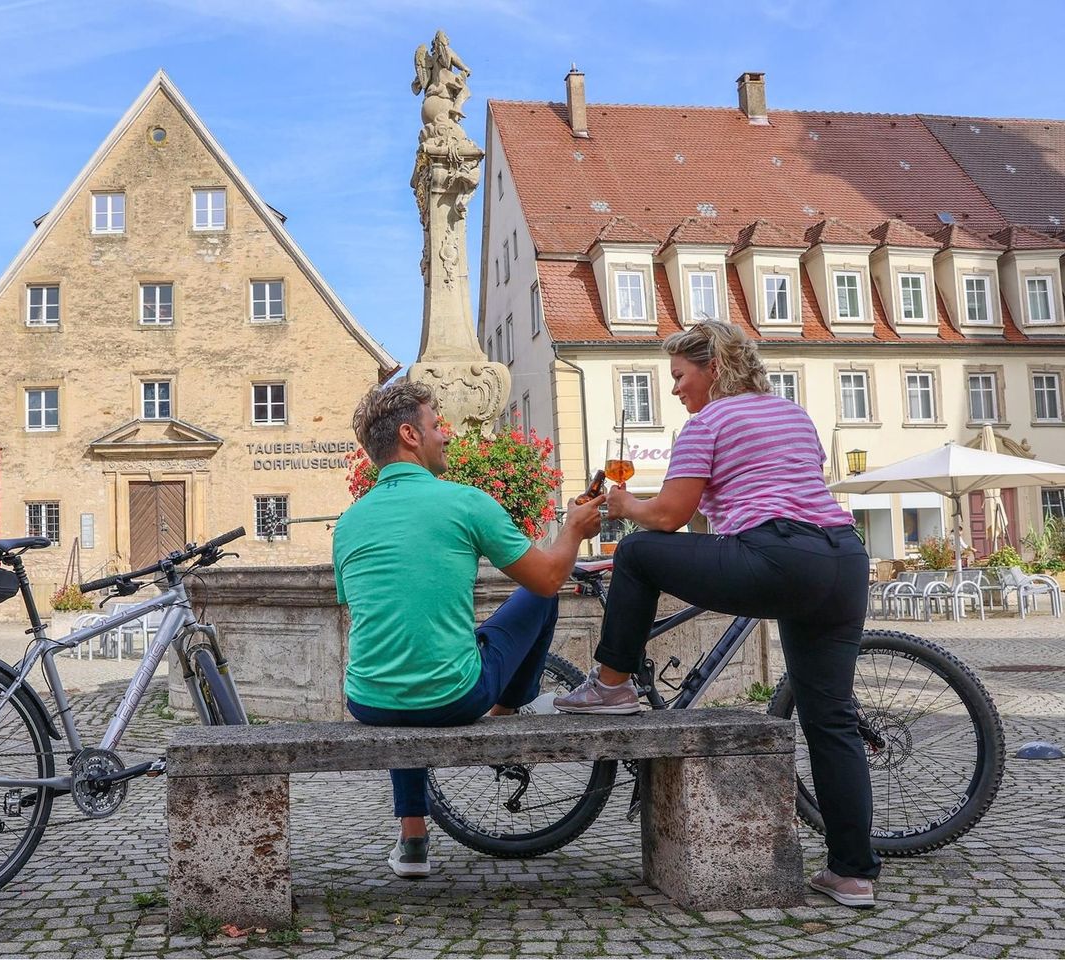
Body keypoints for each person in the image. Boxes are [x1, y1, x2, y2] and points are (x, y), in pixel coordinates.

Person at [554, 320, 880, 909]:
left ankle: (611, 685)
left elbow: (670, 516)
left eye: (680, 376)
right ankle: (852, 874)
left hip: (775, 554)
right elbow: (755, 497)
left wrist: (622, 506)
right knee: (831, 719)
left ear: (712, 369)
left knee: (635, 548)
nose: (676, 391)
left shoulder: (708, 422)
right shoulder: (793, 414)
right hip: (842, 559)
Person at [334, 380, 602, 878]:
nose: (446, 436)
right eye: (438, 426)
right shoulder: (464, 502)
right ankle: (505, 709)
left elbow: (378, 614)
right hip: (455, 698)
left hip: (368, 699)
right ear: (411, 435)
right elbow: (547, 578)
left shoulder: (349, 523)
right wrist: (572, 531)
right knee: (536, 600)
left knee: (407, 679)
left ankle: (413, 843)